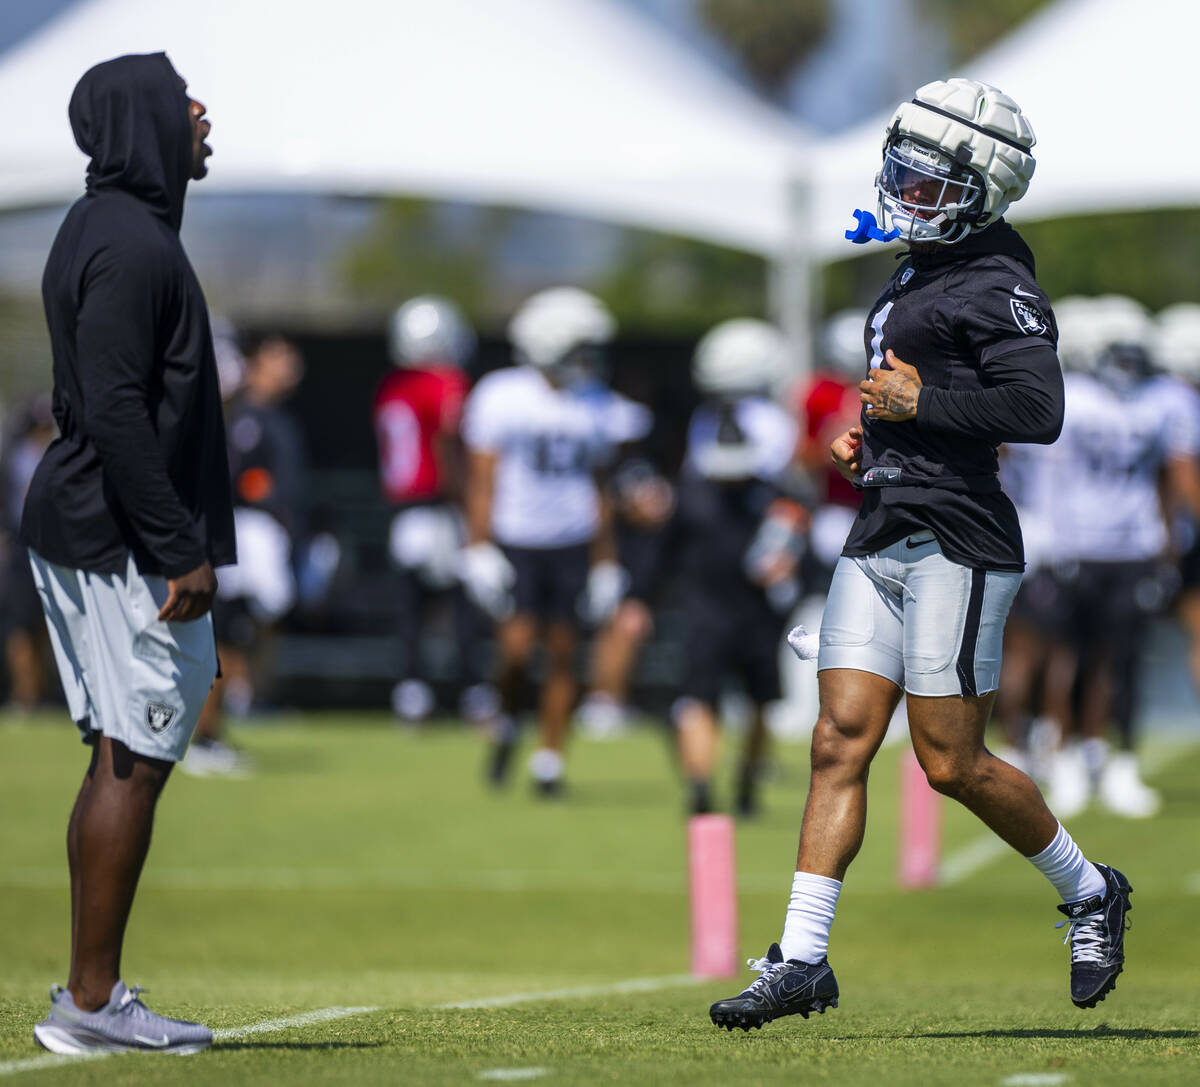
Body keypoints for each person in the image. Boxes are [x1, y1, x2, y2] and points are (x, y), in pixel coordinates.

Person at [710, 79, 1131, 1032]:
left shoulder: (999, 283)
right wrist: (870, 436)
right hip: (882, 523)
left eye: (930, 180)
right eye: (904, 167)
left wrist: (916, 411)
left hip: (959, 537)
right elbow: (912, 393)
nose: (906, 187)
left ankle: (1091, 888)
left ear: (984, 188)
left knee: (951, 762)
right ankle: (801, 959)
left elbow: (1039, 412)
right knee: (837, 739)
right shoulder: (918, 267)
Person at [20, 53, 233, 1054]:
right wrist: (176, 544)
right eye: (179, 96)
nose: (198, 110)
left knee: (121, 749)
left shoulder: (118, 227)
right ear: (141, 120)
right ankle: (93, 1003)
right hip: (118, 538)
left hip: (104, 529)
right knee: (133, 754)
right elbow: (111, 406)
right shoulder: (128, 242)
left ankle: (90, 995)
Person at [1039, 297, 1200, 817]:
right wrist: (1048, 534)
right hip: (1075, 541)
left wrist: (1167, 543)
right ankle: (1063, 759)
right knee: (1067, 656)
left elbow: (1169, 474)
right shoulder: (1073, 397)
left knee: (1120, 659)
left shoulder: (1163, 401)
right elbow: (1048, 474)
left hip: (1132, 545)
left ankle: (1113, 761)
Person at [460, 287, 624, 796]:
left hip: (571, 542)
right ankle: (507, 721)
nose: (588, 358)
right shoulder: (500, 394)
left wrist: (606, 561)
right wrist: (479, 545)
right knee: (513, 649)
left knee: (562, 653)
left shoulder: (595, 402)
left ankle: (549, 760)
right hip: (517, 538)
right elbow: (482, 479)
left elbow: (601, 487)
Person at [669, 318, 808, 816]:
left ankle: (738, 782)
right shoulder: (743, 434)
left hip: (737, 590)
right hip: (719, 591)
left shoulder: (735, 436)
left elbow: (790, 510)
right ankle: (707, 785)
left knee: (751, 699)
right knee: (715, 695)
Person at [186, 332, 307, 776]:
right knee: (213, 635)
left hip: (212, 542)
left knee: (228, 632)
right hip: (203, 545)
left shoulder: (225, 425)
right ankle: (201, 738)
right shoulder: (205, 428)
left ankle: (210, 734)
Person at [372, 295, 494, 723]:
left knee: (412, 604)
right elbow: (448, 441)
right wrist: (469, 500)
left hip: (403, 507)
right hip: (438, 503)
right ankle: (470, 688)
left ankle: (412, 688)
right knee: (461, 600)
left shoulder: (392, 385)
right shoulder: (445, 382)